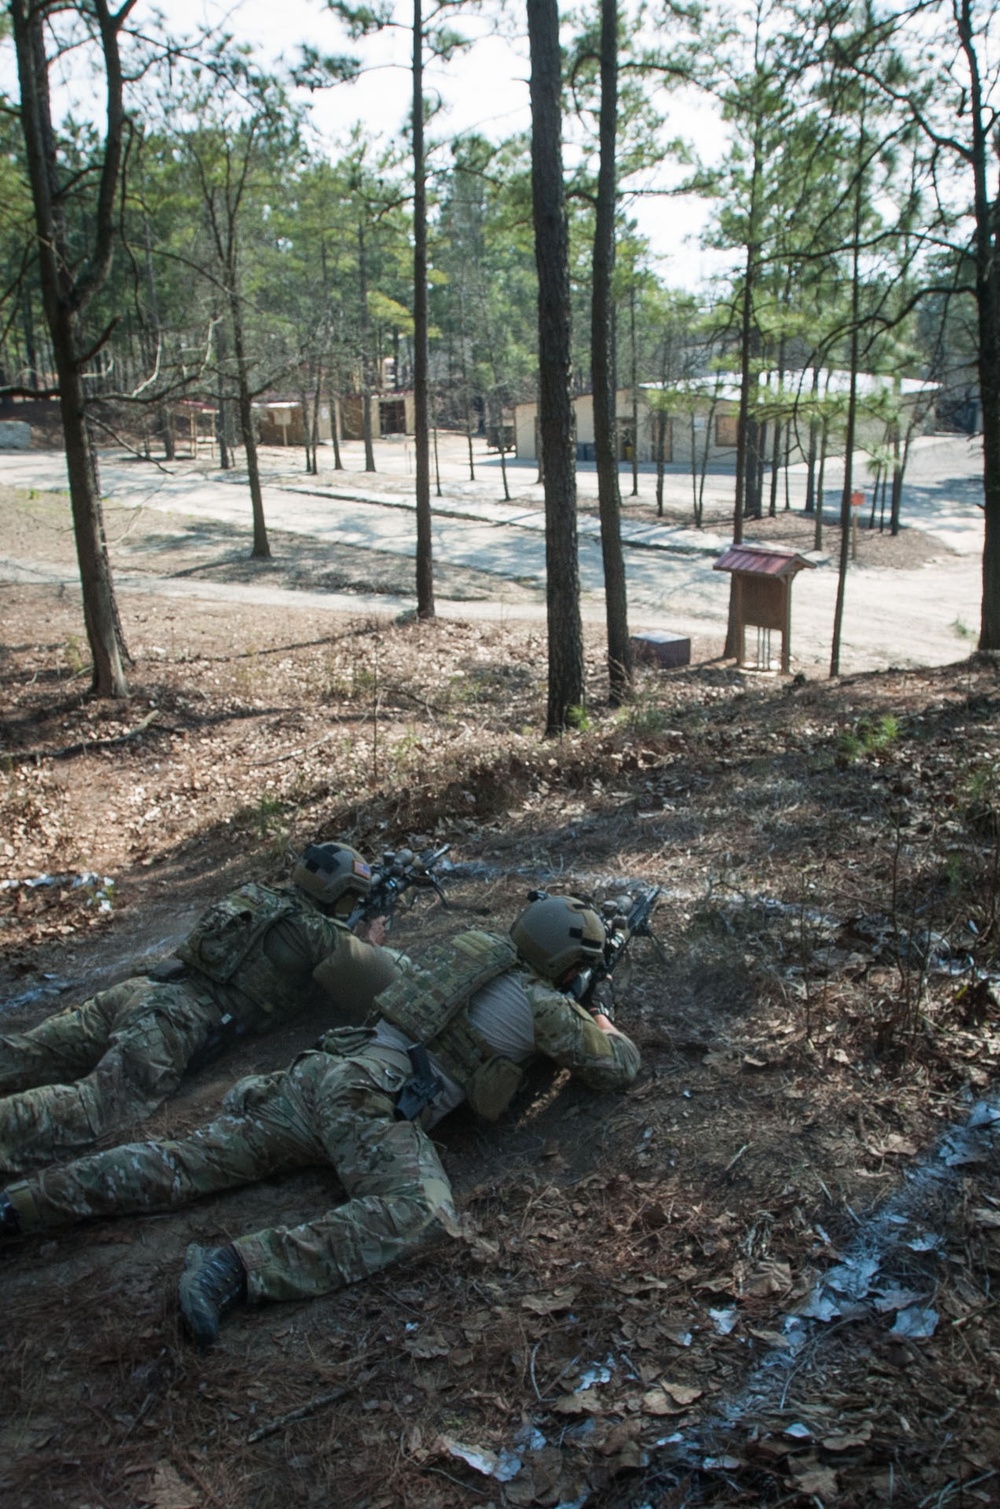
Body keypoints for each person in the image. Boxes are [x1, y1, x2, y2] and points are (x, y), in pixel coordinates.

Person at [0, 894, 641, 1347]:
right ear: (565, 967)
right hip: (366, 1105)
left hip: (317, 1073)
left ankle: (24, 1204)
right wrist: (604, 1016)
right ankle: (235, 1268)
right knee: (419, 1213)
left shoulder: (471, 949)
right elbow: (616, 1067)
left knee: (184, 1160)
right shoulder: (547, 1008)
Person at [0, 842, 401, 1176]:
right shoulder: (319, 935)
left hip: (142, 989)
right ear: (340, 895)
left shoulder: (256, 895)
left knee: (25, 1053)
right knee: (100, 1106)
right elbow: (384, 983)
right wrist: (370, 942)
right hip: (171, 1020)